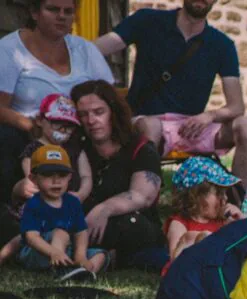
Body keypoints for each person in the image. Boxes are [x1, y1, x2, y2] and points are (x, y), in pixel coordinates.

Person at [94, 0, 247, 184]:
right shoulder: (148, 20)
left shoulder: (222, 44)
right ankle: (144, 202)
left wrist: (209, 116)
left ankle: (238, 203)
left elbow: (237, 106)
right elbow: (93, 50)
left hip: (191, 127)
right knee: (152, 126)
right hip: (146, 122)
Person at [0, 0, 113, 204]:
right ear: (35, 12)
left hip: (80, 132)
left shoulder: (84, 49)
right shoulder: (9, 50)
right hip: (28, 136)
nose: (62, 16)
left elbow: (110, 98)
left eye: (68, 11)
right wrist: (29, 125)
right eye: (53, 9)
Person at [71, 80, 167, 271]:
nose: (91, 121)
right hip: (83, 225)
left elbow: (143, 196)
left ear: (113, 112)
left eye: (99, 112)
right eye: (83, 114)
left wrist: (104, 209)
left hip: (128, 223)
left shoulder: (140, 148)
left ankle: (107, 257)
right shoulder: (77, 148)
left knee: (132, 225)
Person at [18, 143, 106, 279]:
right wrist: (54, 252)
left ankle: (85, 272)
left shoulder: (73, 202)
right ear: (33, 179)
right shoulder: (33, 203)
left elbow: (80, 232)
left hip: (65, 250)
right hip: (38, 252)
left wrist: (80, 255)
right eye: (48, 174)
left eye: (62, 174)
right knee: (60, 233)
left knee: (100, 254)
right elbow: (31, 237)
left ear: (70, 177)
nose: (56, 181)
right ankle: (60, 269)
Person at [11, 93, 91, 206]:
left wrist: (81, 194)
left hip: (72, 204)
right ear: (39, 120)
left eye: (69, 125)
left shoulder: (75, 149)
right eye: (57, 122)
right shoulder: (33, 149)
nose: (63, 129)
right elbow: (31, 178)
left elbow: (86, 176)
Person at [164, 157, 243, 263]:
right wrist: (191, 239)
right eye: (218, 193)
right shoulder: (179, 224)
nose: (225, 198)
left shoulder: (222, 221)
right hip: (189, 273)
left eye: (225, 193)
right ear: (195, 196)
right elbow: (175, 260)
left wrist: (241, 220)